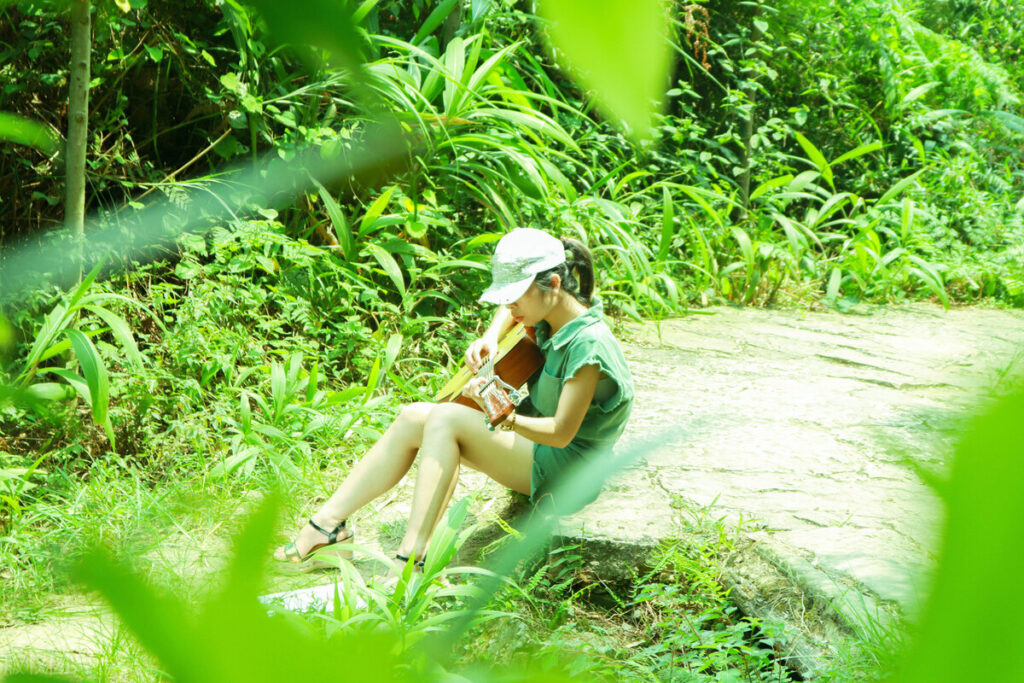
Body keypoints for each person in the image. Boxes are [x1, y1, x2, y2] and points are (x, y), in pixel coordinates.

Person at [273, 228, 633, 571]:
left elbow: (559, 434)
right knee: (414, 416)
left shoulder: (588, 345)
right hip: (538, 447)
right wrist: (491, 336)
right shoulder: (552, 311)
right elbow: (511, 309)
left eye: (516, 296)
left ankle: (411, 562)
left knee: (446, 419)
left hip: (567, 465)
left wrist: (503, 415)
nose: (510, 306)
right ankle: (325, 527)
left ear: (553, 283)